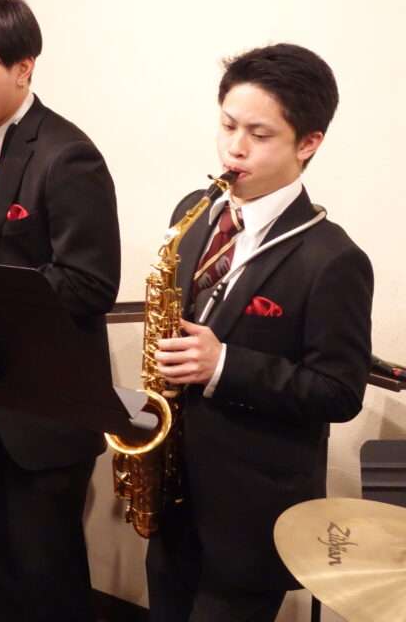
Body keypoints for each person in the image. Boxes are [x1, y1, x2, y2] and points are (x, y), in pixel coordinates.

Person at [147, 43, 373, 622]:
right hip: (173, 493)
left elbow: (339, 392)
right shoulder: (193, 211)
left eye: (259, 134)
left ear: (308, 143)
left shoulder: (333, 258)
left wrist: (224, 365)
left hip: (250, 516)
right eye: (227, 126)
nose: (235, 148)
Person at [0, 0, 121, 622]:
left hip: (47, 409)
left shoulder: (68, 155)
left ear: (24, 68)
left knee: (48, 582)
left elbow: (91, 283)